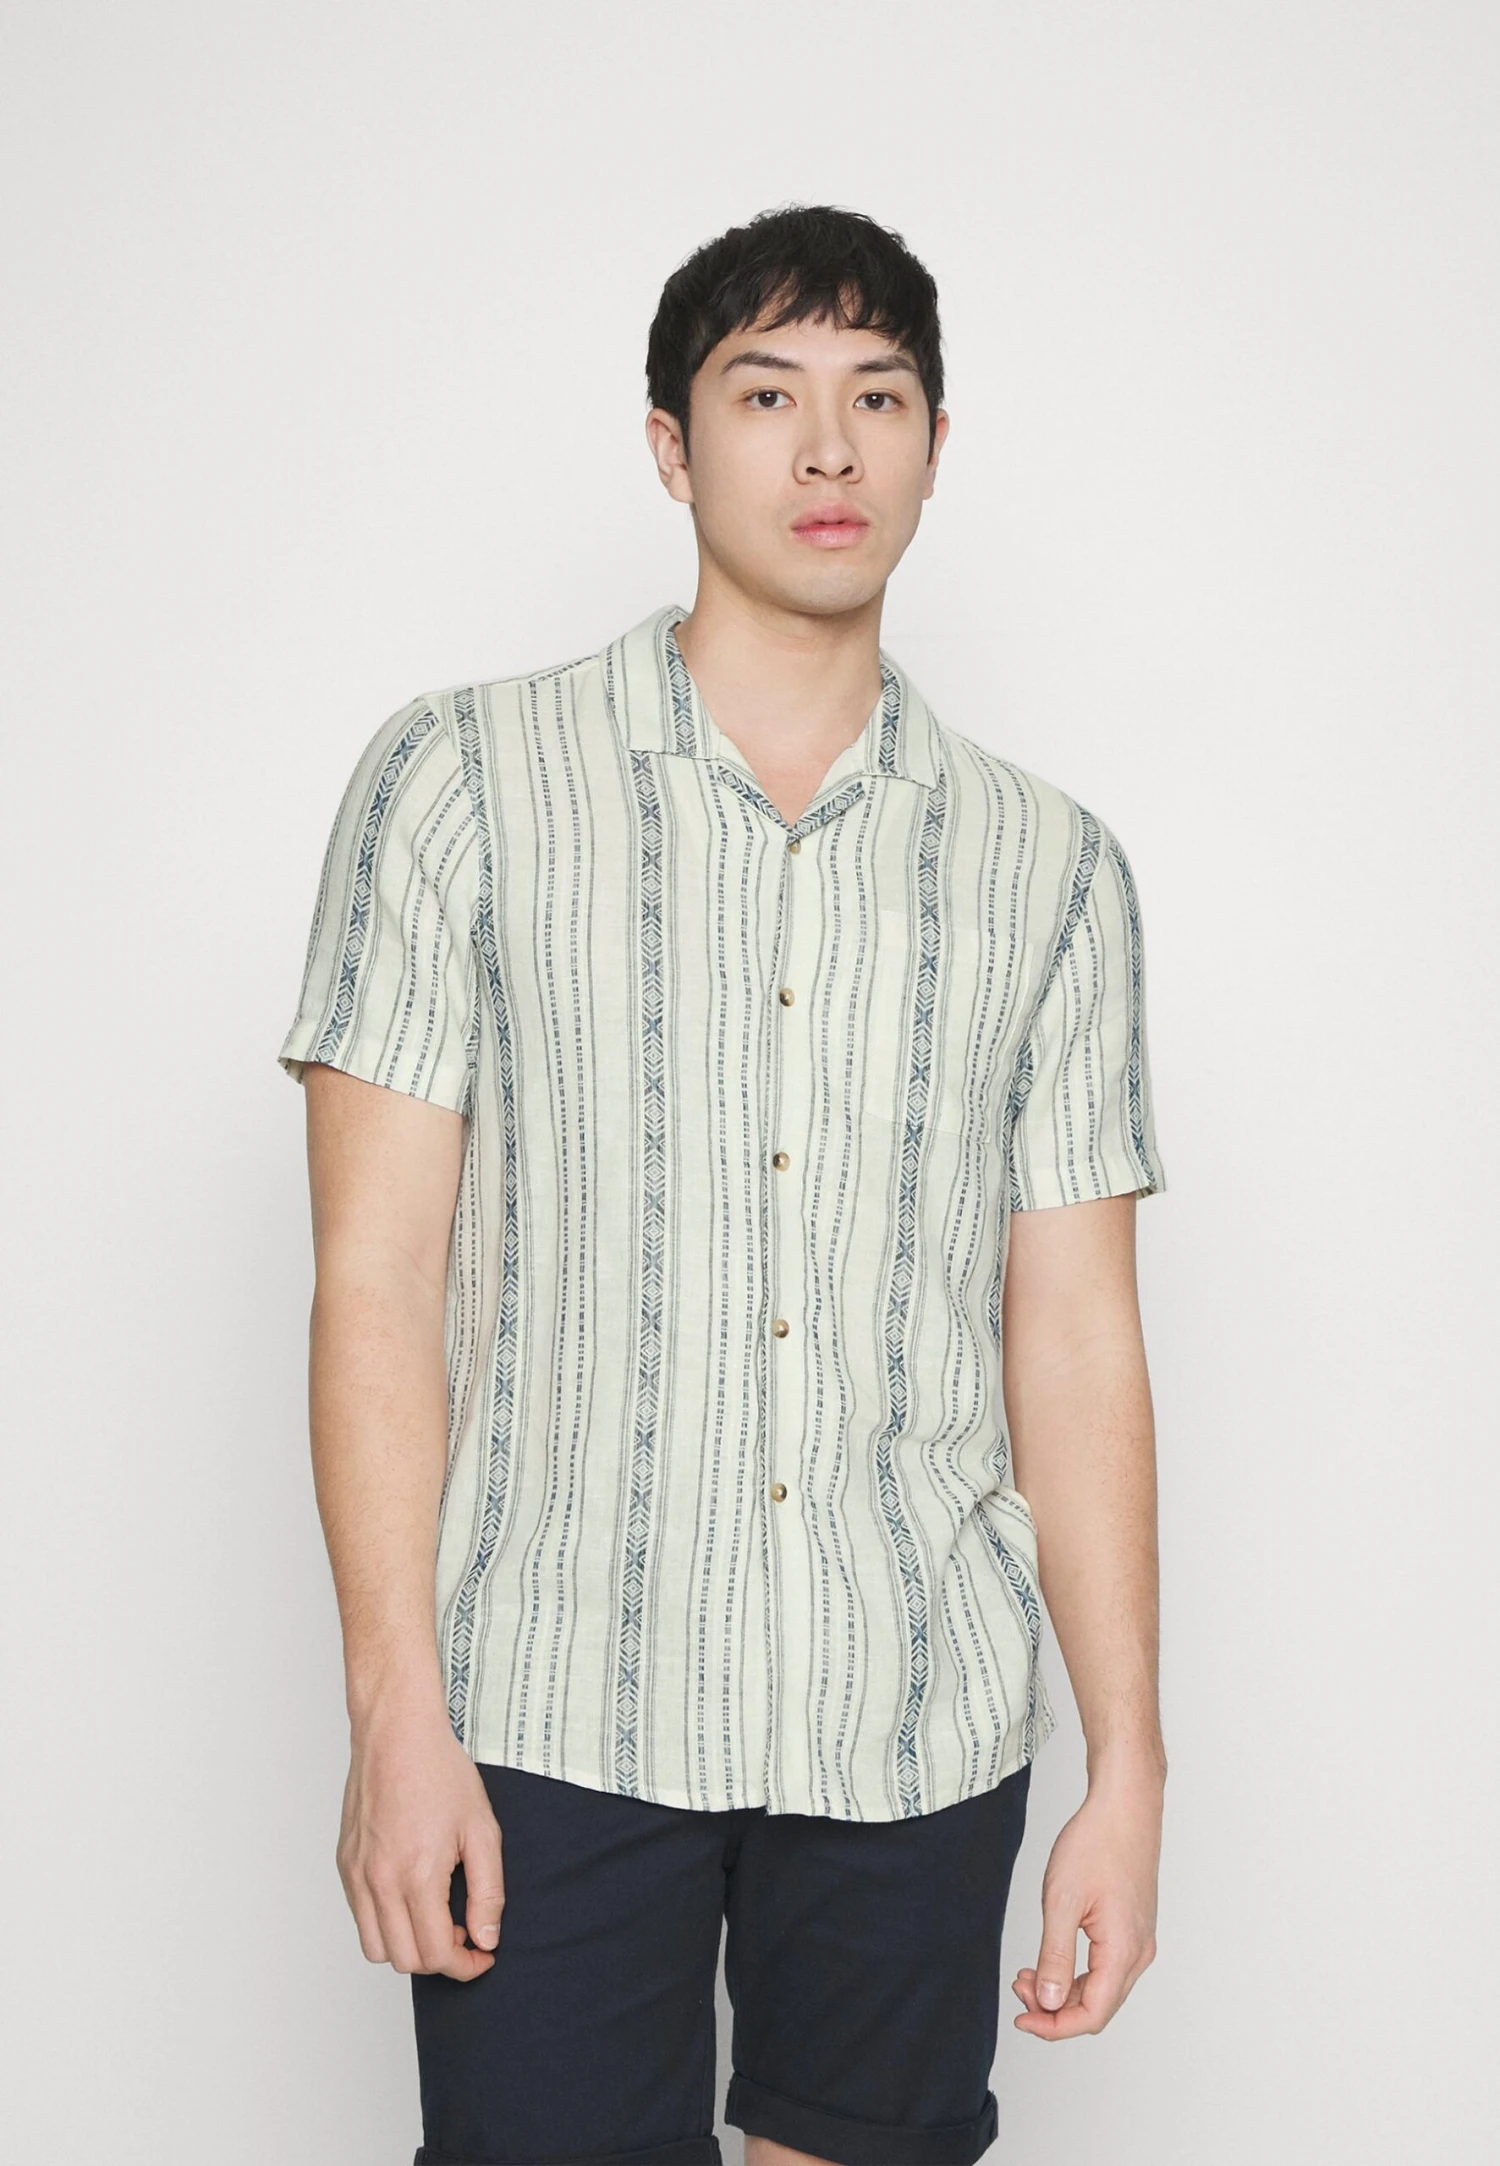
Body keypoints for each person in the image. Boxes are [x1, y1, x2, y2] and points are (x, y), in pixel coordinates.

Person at [276, 202, 1170, 2166]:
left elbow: (1076, 1335)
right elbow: (376, 1278)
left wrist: (1129, 1762)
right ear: (674, 447)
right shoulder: (463, 786)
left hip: (912, 1703)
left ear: (937, 441)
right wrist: (392, 1710)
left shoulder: (1050, 869)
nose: (828, 448)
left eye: (878, 397)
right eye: (767, 396)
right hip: (552, 1699)